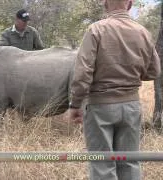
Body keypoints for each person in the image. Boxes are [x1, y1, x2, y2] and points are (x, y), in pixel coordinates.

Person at [69, 0, 161, 179]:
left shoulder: (95, 30)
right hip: (132, 106)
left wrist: (75, 104)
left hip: (99, 107)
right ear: (130, 4)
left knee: (102, 164)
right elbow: (154, 71)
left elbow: (82, 73)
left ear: (105, 4)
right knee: (130, 161)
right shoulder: (143, 32)